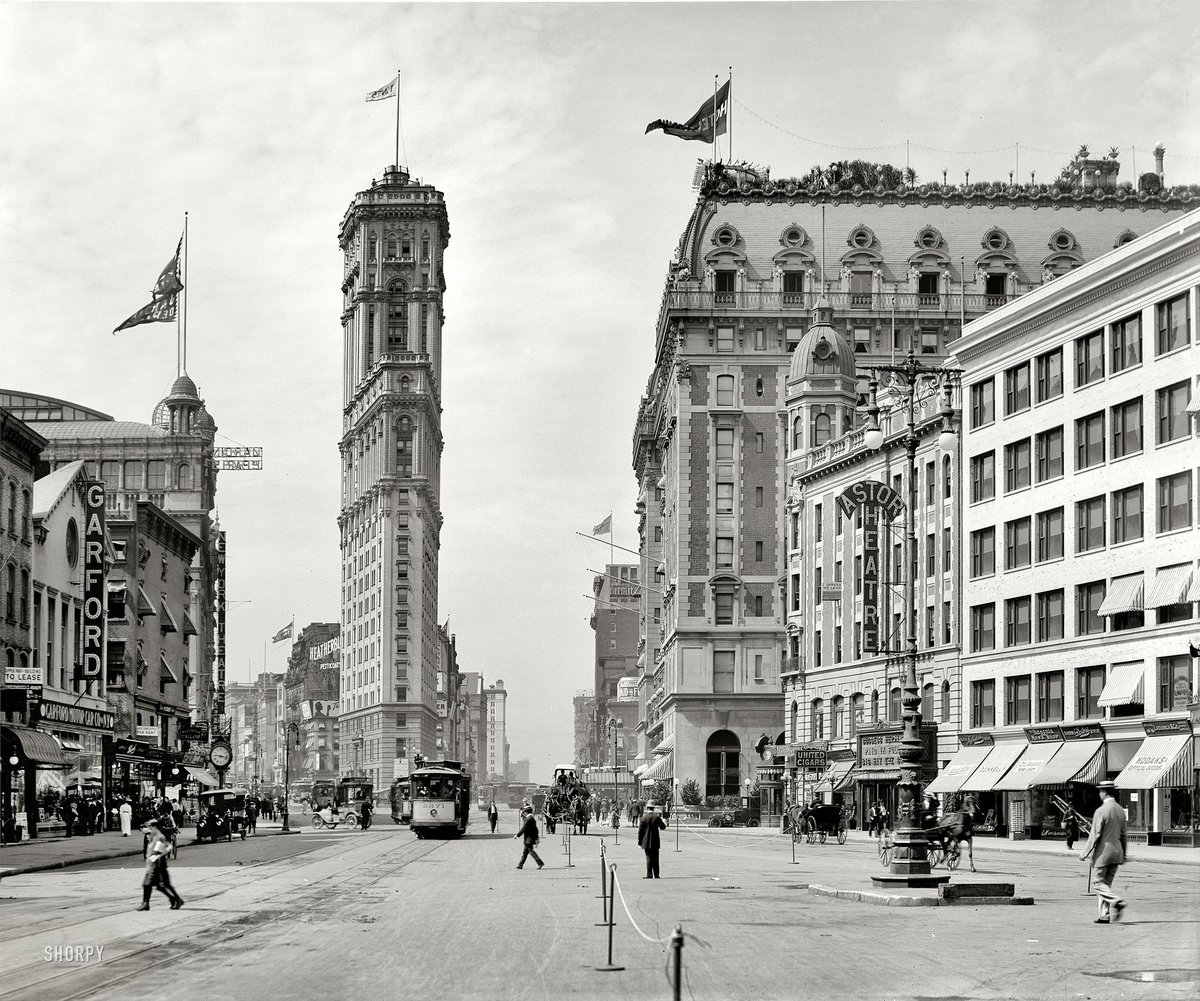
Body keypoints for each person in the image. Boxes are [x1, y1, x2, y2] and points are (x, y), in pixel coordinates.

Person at [1079, 781, 1127, 924]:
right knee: (1106, 885)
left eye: (1100, 791)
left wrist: (1084, 853)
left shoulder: (1101, 811)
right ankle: (1104, 915)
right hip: (1117, 852)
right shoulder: (1120, 810)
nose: (1099, 794)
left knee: (1098, 884)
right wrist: (1123, 854)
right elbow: (1124, 835)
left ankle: (1117, 901)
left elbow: (1095, 834)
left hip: (1103, 854)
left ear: (1105, 792)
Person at [137, 820, 183, 911]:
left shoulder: (159, 837)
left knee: (149, 884)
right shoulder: (153, 836)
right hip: (153, 864)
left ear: (155, 827)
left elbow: (168, 847)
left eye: (150, 827)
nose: (149, 829)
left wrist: (159, 856)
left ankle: (146, 903)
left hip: (158, 864)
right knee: (159, 885)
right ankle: (175, 899)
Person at [637, 801, 668, 879]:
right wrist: (664, 821)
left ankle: (649, 874)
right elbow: (663, 827)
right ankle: (656, 874)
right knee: (656, 858)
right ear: (653, 808)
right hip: (655, 840)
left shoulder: (643, 818)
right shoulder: (656, 817)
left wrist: (640, 842)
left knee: (648, 858)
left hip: (646, 841)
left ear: (647, 807)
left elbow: (640, 831)